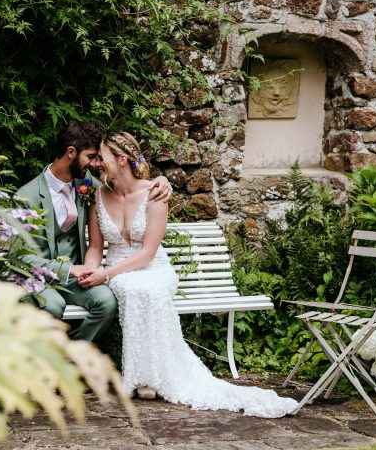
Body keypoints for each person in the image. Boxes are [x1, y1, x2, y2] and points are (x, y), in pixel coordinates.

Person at [78, 131, 298, 417]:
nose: (97, 164)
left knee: (149, 289)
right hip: (120, 269)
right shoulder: (98, 194)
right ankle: (143, 377)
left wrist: (105, 274)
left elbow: (147, 253)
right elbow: (96, 247)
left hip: (152, 267)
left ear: (121, 161)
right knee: (133, 289)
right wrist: (91, 268)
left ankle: (154, 377)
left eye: (102, 158)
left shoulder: (155, 192)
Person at [15, 122, 172, 342]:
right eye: (90, 156)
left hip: (77, 277)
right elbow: (19, 257)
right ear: (71, 152)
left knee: (106, 302)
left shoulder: (88, 185)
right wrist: (70, 269)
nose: (95, 163)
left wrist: (163, 181)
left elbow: (128, 181)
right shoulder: (27, 197)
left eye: (98, 158)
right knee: (54, 305)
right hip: (40, 276)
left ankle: (75, 358)